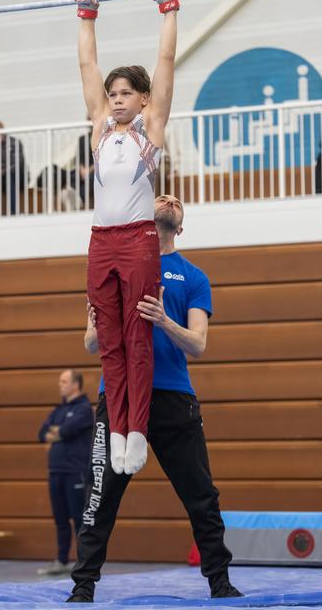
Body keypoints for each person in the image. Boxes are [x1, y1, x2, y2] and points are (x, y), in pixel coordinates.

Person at [67, 195, 243, 602]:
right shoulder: (113, 269)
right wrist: (96, 324)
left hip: (173, 399)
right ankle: (82, 588)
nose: (167, 199)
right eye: (160, 196)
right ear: (144, 217)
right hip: (118, 398)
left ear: (178, 226)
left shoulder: (193, 277)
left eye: (175, 201)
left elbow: (198, 344)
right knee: (101, 494)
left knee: (201, 495)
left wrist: (164, 320)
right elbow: (91, 343)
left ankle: (220, 581)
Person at [75, 0, 179, 476]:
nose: (115, 100)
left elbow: (166, 64)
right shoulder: (98, 126)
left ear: (142, 99)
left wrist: (168, 11)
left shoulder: (150, 128)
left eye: (125, 94)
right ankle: (118, 428)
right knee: (110, 341)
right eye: (111, 94)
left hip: (138, 240)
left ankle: (137, 430)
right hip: (100, 242)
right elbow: (86, 68)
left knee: (137, 338)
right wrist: (86, 18)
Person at [37, 369, 94, 576]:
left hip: (75, 472)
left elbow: (66, 431)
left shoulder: (84, 409)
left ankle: (84, 562)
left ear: (76, 385)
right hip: (56, 472)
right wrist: (56, 433)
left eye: (64, 381)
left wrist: (57, 432)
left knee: (79, 518)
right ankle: (61, 560)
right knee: (60, 518)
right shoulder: (58, 411)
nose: (59, 384)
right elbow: (42, 433)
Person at [0, 120, 28, 215]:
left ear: (1, 129)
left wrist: (2, 171)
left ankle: (14, 212)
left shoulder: (13, 142)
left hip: (18, 176)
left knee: (9, 176)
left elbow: (18, 162)